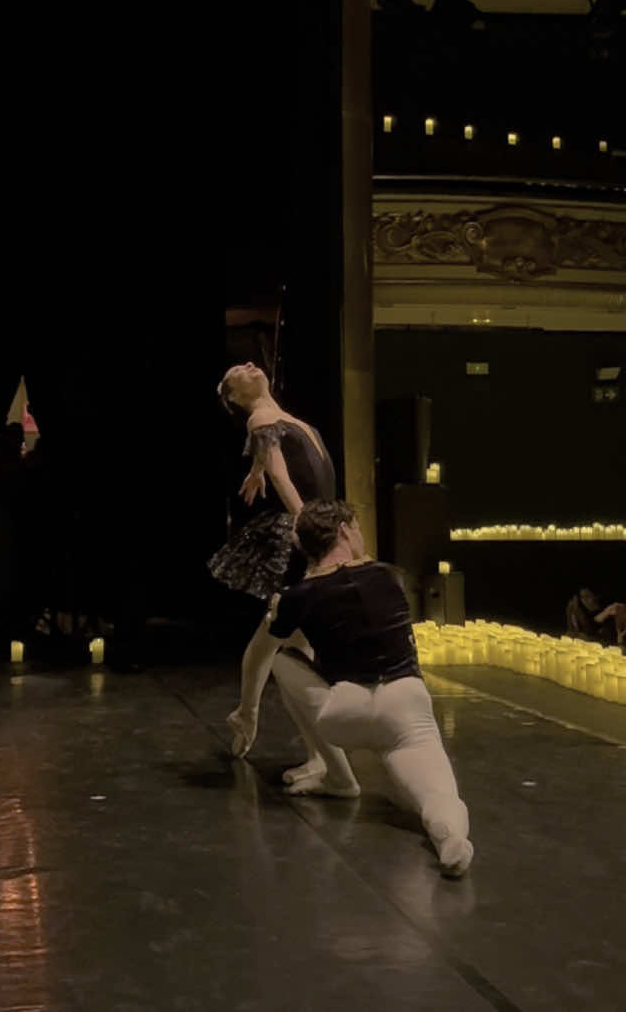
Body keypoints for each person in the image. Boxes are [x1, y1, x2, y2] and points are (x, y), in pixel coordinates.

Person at [226, 500, 473, 879]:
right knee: (439, 798)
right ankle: (451, 840)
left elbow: (256, 656)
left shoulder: (297, 597)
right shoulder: (390, 576)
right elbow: (357, 575)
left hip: (344, 712)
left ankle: (339, 777)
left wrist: (248, 713)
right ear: (344, 532)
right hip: (406, 709)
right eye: (356, 527)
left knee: (281, 654)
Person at [208, 362, 337, 602]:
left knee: (294, 614)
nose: (249, 364)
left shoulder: (279, 418)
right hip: (305, 523)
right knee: (298, 608)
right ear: (234, 397)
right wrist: (307, 526)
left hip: (319, 517)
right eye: (237, 372)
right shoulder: (259, 418)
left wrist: (256, 470)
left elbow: (268, 443)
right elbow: (279, 475)